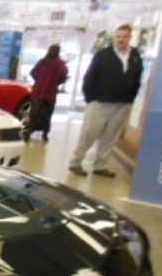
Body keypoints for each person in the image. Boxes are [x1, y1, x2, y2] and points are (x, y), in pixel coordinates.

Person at [68, 24, 143, 178]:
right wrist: (90, 99)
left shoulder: (135, 56)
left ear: (130, 37)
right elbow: (89, 78)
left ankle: (100, 166)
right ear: (114, 38)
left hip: (122, 105)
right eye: (118, 36)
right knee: (89, 134)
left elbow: (137, 79)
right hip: (99, 103)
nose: (121, 39)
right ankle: (76, 163)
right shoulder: (103, 55)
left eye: (124, 37)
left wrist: (130, 99)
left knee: (110, 138)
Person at [23, 43, 67, 143]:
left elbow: (32, 72)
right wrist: (55, 83)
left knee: (34, 114)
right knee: (47, 115)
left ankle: (29, 132)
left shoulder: (42, 62)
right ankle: (45, 134)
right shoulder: (60, 64)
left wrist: (38, 80)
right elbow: (63, 77)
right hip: (50, 95)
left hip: (38, 92)